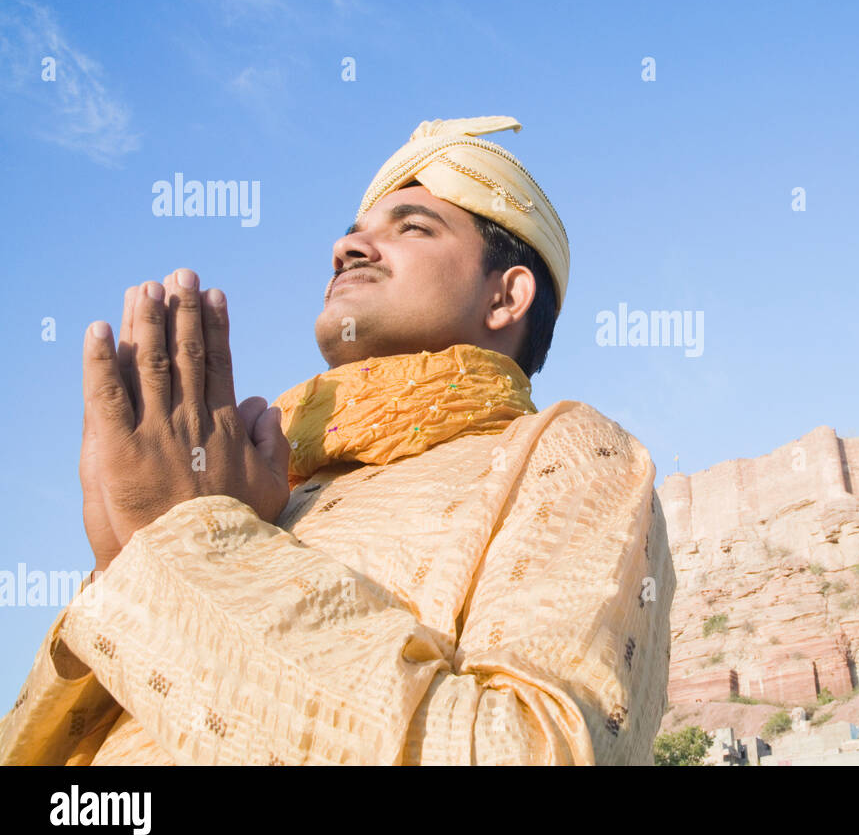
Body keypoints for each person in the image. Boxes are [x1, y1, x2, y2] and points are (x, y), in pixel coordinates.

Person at [0, 115, 676, 765]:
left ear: (506, 297)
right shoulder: (265, 484)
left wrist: (191, 545)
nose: (346, 248)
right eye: (352, 233)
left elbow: (536, 751)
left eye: (413, 226)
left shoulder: (569, 452)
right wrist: (126, 566)